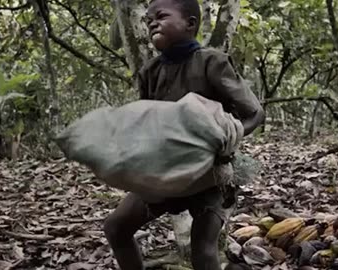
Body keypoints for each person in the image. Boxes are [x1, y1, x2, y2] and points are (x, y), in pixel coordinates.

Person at [103, 0, 265, 269]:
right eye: (149, 20)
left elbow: (255, 113)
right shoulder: (150, 72)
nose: (152, 22)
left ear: (190, 24)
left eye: (161, 16)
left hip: (209, 175)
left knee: (203, 249)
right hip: (165, 172)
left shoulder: (211, 62)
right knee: (116, 228)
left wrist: (224, 142)